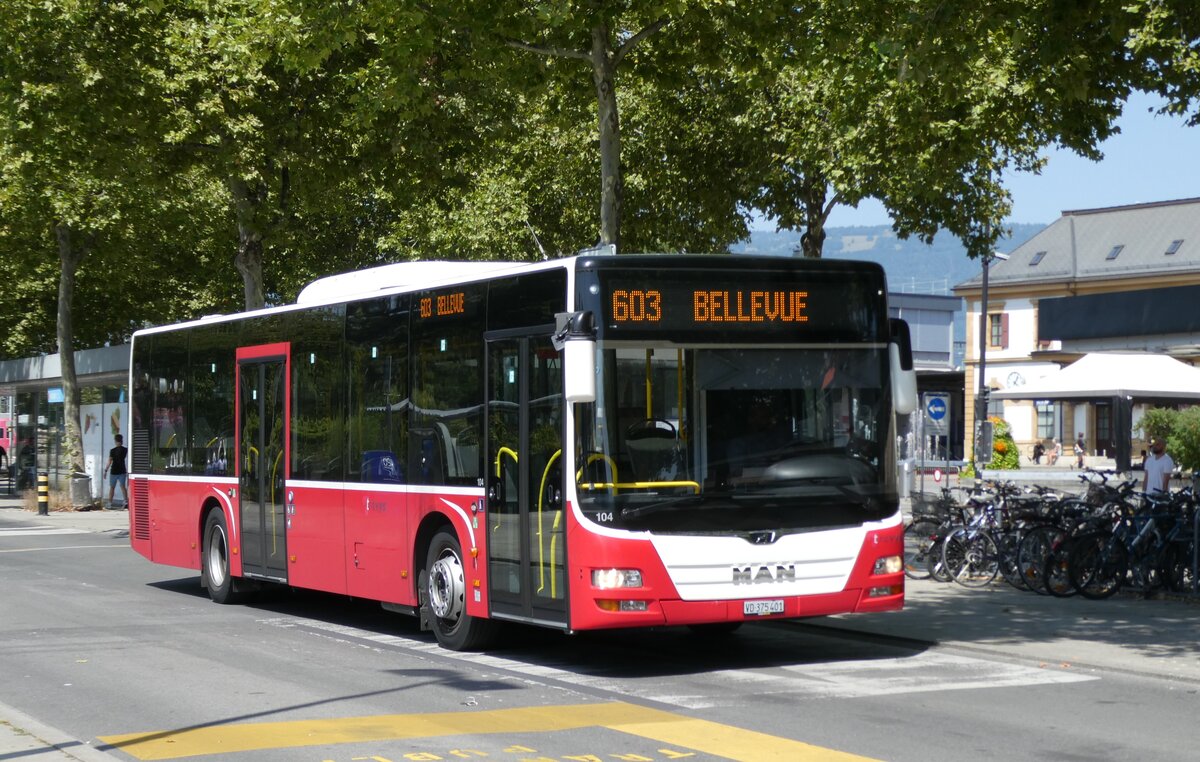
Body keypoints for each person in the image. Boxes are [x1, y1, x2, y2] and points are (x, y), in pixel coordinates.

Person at [103, 434, 128, 509]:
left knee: (112, 488)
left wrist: (106, 471)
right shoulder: (125, 450)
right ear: (122, 440)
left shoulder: (112, 451)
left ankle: (110, 503)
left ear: (115, 441)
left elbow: (109, 461)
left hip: (114, 471)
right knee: (123, 486)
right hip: (122, 470)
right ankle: (125, 501)